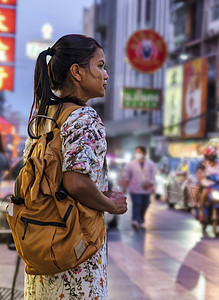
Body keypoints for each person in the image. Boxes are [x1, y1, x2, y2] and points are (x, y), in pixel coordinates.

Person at [24, 34, 127, 299]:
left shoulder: (44, 119)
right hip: (75, 257)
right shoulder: (85, 118)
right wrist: (110, 204)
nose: (106, 75)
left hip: (44, 249)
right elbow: (76, 181)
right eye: (100, 66)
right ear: (77, 72)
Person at [122, 146, 157, 230]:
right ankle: (135, 220)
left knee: (145, 204)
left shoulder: (150, 163)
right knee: (137, 204)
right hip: (135, 188)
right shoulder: (131, 164)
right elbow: (127, 176)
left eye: (139, 152)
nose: (138, 154)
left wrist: (150, 184)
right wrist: (125, 187)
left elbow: (153, 175)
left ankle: (141, 220)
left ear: (144, 153)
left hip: (146, 189)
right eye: (136, 152)